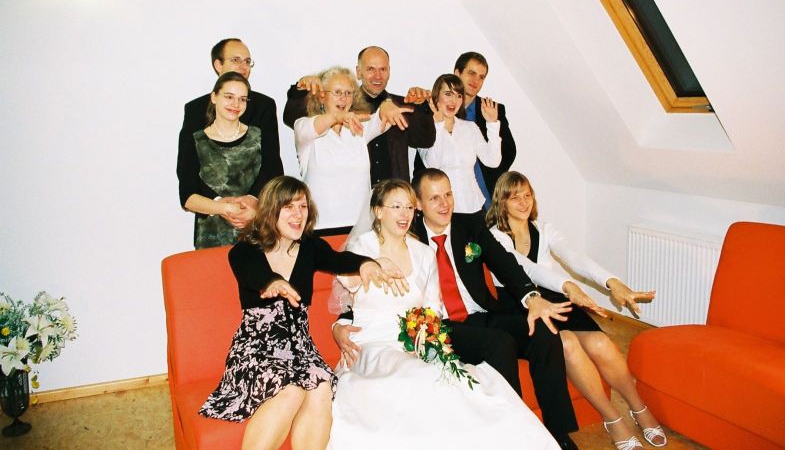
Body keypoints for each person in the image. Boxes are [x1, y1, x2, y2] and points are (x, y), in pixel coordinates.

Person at [334, 168, 581, 450]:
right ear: (420, 204)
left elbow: (506, 264)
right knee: (500, 344)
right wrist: (340, 324)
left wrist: (531, 296)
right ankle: (508, 432)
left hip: (479, 315)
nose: (444, 204)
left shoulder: (469, 226)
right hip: (445, 326)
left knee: (543, 332)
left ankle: (558, 433)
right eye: (434, 198)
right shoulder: (400, 235)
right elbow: (357, 291)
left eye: (448, 195)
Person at [199, 176, 404, 450]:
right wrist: (273, 282)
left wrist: (366, 263)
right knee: (291, 389)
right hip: (256, 350)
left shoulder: (310, 247)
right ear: (271, 210)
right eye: (289, 207)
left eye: (303, 207)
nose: (298, 214)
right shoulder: (245, 251)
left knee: (321, 387)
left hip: (300, 349)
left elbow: (339, 260)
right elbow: (253, 273)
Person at [486, 171, 666, 450]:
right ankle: (612, 418)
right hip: (519, 303)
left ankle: (639, 408)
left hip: (553, 294)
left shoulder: (543, 229)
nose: (523, 202)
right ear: (501, 202)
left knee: (600, 343)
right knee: (568, 343)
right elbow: (526, 269)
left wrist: (613, 282)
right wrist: (568, 285)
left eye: (527, 195)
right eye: (515, 197)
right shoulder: (495, 237)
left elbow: (575, 258)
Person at [283, 46, 435, 184]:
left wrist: (421, 106)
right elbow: (292, 118)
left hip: (394, 198)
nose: (377, 76)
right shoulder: (342, 105)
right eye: (370, 69)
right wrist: (302, 89)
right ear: (359, 72)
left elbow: (426, 140)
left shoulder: (401, 105)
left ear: (389, 71)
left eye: (383, 69)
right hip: (357, 196)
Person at [178, 38, 283, 231]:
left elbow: (272, 163)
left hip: (257, 216)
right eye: (236, 60)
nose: (243, 66)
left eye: (247, 61)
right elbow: (187, 172)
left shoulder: (264, 106)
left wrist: (252, 201)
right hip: (211, 220)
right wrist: (221, 204)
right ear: (218, 65)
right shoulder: (195, 109)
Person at [293, 67, 388, 235]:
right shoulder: (304, 126)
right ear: (322, 97)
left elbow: (384, 117)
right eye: (337, 92)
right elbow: (313, 126)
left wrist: (387, 105)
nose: (343, 98)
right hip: (319, 230)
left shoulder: (359, 128)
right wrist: (337, 117)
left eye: (348, 93)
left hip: (361, 230)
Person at [417, 74, 501, 214]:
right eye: (448, 94)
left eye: (459, 95)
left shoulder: (470, 128)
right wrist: (438, 126)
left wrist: (492, 124)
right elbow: (432, 165)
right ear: (436, 97)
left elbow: (493, 161)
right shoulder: (424, 129)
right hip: (443, 210)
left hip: (475, 207)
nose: (454, 101)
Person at [454, 52, 516, 206]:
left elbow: (508, 151)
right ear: (457, 73)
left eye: (481, 77)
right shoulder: (440, 106)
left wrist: (492, 179)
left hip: (486, 197)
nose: (476, 80)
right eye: (471, 73)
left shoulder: (493, 109)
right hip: (451, 198)